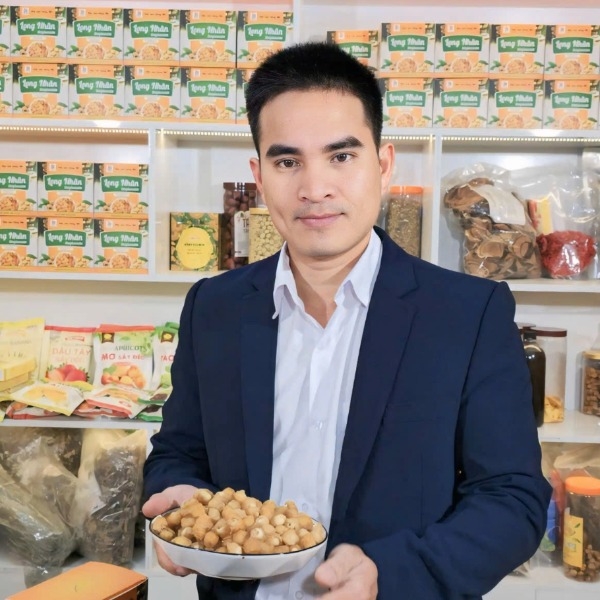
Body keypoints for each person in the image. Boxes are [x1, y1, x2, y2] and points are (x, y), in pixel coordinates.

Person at [142, 41, 551, 600]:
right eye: (288, 162)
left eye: (341, 156)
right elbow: (179, 451)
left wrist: (393, 573)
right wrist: (177, 495)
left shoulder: (467, 313)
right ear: (259, 174)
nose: (315, 189)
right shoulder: (213, 306)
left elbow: (512, 498)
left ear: (382, 164)